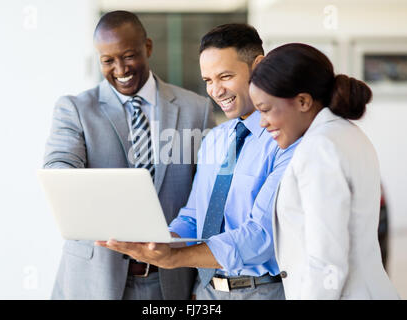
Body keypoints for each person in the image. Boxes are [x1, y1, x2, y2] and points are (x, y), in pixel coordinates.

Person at [97, 24, 298, 300]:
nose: (215, 90)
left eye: (225, 76)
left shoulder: (286, 140)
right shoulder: (216, 139)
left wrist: (176, 258)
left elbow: (261, 238)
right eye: (208, 80)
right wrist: (160, 241)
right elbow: (195, 217)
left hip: (261, 291)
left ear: (259, 67)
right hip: (205, 292)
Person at [44, 10, 215, 300]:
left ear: (147, 47)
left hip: (170, 281)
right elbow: (59, 165)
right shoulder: (75, 109)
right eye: (108, 60)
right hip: (94, 280)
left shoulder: (195, 109)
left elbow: (210, 195)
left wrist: (204, 284)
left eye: (128, 56)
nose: (120, 69)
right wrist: (67, 182)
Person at [249, 43, 399, 299]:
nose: (262, 123)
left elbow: (327, 262)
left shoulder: (318, 148)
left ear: (303, 101)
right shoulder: (345, 133)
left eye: (265, 110)